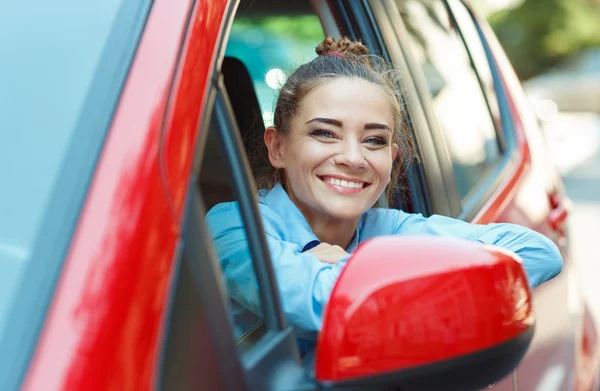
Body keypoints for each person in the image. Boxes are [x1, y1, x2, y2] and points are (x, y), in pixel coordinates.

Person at [206, 37, 562, 340]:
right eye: (324, 133)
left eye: (374, 140)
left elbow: (537, 253)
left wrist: (346, 267)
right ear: (278, 147)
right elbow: (323, 305)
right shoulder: (233, 227)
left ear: (391, 160)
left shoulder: (390, 229)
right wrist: (394, 276)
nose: (353, 157)